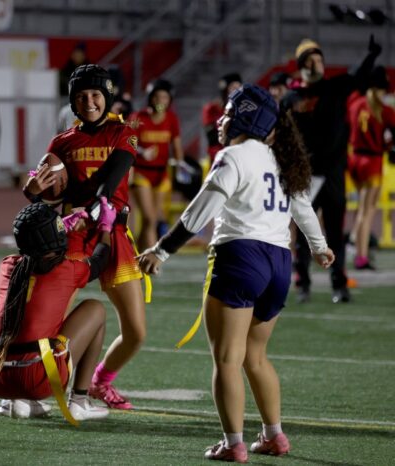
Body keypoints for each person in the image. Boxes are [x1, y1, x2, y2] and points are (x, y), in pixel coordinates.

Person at [138, 84, 334, 463]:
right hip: (279, 262)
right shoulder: (281, 159)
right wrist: (319, 245)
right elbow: (303, 207)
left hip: (240, 256)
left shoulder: (233, 155)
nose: (221, 120)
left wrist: (161, 250)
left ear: (244, 118)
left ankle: (233, 443)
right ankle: (274, 436)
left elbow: (199, 211)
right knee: (255, 357)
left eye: (228, 113)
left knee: (227, 359)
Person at [23, 64, 144, 410]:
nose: (89, 101)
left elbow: (112, 179)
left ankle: (100, 382)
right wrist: (32, 191)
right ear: (73, 102)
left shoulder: (125, 133)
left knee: (136, 332)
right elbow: (45, 190)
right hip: (73, 234)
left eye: (95, 95)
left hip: (113, 233)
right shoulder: (61, 142)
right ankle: (27, 383)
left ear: (107, 97)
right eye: (81, 96)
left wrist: (94, 207)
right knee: (48, 315)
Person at [0, 200, 116, 421]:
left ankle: (16, 401)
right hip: (35, 377)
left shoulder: (7, 265)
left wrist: (57, 229)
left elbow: (34, 251)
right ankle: (79, 401)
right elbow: (100, 260)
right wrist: (106, 228)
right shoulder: (66, 270)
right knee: (95, 309)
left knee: (31, 323)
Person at [282, 36, 381, 303]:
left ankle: (339, 284)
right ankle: (303, 283)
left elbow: (358, 77)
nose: (318, 64)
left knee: (336, 232)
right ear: (302, 64)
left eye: (320, 59)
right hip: (305, 175)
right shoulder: (291, 98)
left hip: (334, 172)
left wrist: (372, 55)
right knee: (304, 233)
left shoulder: (334, 88)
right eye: (311, 60)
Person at [347, 65, 395, 270]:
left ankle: (353, 240)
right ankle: (360, 255)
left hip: (354, 159)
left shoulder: (355, 103)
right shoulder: (384, 110)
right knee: (368, 212)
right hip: (372, 162)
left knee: (361, 209)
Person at [128, 78, 184, 251]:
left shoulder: (171, 119)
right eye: (157, 97)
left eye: (164, 97)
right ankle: (149, 259)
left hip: (162, 174)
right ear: (150, 98)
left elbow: (176, 146)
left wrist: (180, 167)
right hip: (141, 172)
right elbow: (126, 144)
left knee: (152, 220)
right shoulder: (138, 117)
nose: (160, 101)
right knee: (150, 218)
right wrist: (142, 152)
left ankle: (137, 254)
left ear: (170, 100)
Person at [202, 72, 242, 163]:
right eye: (233, 88)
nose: (237, 92)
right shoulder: (211, 109)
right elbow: (212, 138)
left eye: (239, 88)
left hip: (237, 157)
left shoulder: (242, 110)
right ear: (225, 91)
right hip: (218, 157)